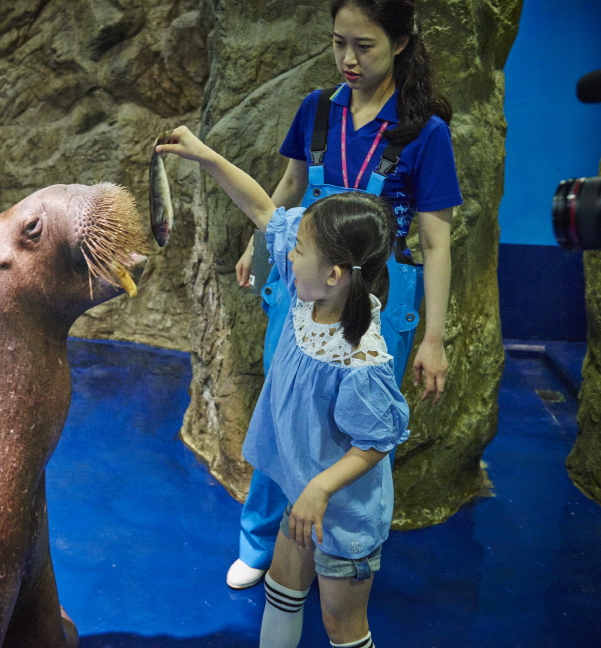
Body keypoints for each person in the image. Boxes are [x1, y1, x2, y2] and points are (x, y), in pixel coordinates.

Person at [228, 0, 463, 590]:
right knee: (282, 409)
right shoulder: (317, 110)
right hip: (304, 283)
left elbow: (436, 242)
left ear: (402, 43)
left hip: (379, 295)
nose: (348, 59)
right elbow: (288, 187)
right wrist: (259, 247)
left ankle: (339, 550)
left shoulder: (425, 132)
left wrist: (433, 337)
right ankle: (262, 540)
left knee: (351, 430)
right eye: (339, 43)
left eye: (365, 45)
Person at [158, 127, 409, 648]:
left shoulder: (360, 358)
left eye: (297, 250)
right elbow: (263, 209)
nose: (286, 255)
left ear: (336, 273)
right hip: (302, 494)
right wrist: (205, 156)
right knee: (281, 589)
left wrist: (318, 489)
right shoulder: (305, 299)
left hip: (341, 513)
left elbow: (376, 442)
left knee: (343, 624)